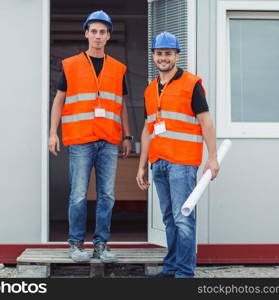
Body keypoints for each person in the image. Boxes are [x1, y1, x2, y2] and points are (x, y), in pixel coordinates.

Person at [48, 10, 132, 263]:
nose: (97, 36)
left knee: (107, 195)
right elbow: (59, 100)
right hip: (81, 139)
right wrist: (53, 133)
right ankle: (75, 244)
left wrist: (127, 136)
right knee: (79, 194)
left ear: (108, 36)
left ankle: (101, 245)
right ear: (86, 34)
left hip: (108, 139)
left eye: (102, 32)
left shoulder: (118, 69)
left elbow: (122, 105)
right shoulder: (70, 65)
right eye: (93, 31)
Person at [136, 32, 219, 278]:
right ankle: (171, 267)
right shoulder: (150, 90)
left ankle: (184, 273)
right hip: (159, 162)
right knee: (169, 219)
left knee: (183, 219)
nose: (163, 58)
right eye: (159, 53)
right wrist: (142, 165)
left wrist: (212, 158)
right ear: (153, 56)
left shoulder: (191, 84)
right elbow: (147, 129)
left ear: (176, 56)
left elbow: (206, 122)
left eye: (168, 54)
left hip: (182, 163)